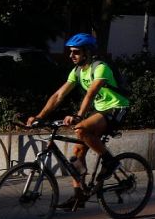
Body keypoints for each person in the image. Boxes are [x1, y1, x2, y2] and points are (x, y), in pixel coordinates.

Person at [26, 33, 131, 209]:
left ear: (87, 52)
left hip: (117, 108)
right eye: (70, 51)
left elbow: (91, 92)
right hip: (100, 111)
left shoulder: (100, 68)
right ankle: (78, 196)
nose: (71, 55)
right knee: (76, 154)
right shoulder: (77, 71)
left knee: (80, 129)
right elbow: (59, 95)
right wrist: (39, 117)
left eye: (75, 52)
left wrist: (79, 116)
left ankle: (110, 162)